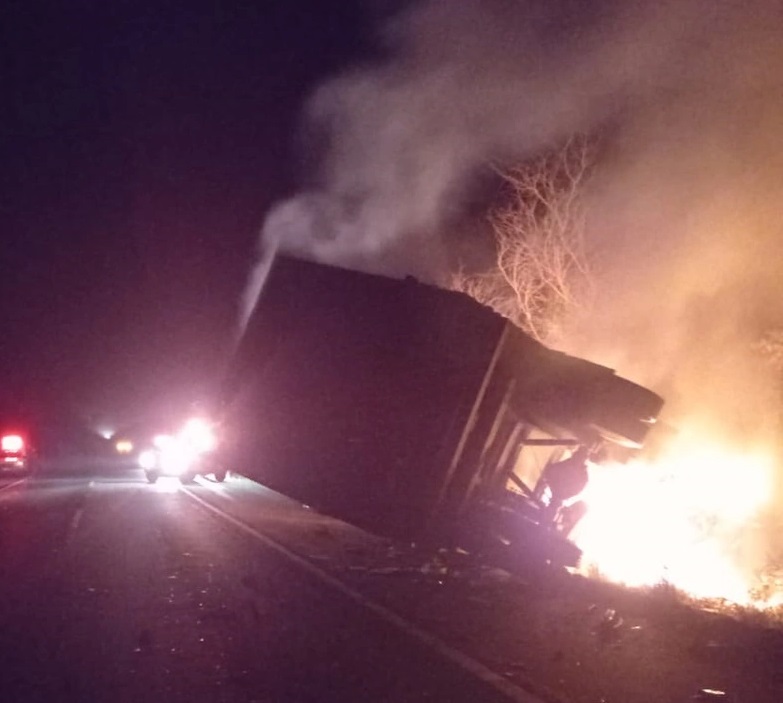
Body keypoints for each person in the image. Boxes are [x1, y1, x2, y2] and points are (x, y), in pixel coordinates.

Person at [536, 445, 590, 523]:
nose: (578, 458)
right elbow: (553, 471)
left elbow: (579, 487)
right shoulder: (575, 469)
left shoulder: (582, 475)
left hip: (560, 494)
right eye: (578, 455)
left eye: (580, 456)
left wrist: (561, 492)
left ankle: (544, 522)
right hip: (558, 494)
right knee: (551, 508)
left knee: (552, 508)